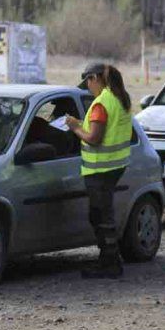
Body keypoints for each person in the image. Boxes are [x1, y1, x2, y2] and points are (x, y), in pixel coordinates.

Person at [66, 63, 133, 279]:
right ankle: (109, 260)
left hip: (99, 169)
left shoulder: (101, 104)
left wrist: (76, 127)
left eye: (88, 81)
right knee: (104, 214)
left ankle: (109, 263)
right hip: (115, 166)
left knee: (100, 216)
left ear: (95, 78)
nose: (87, 87)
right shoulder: (119, 99)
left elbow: (94, 138)